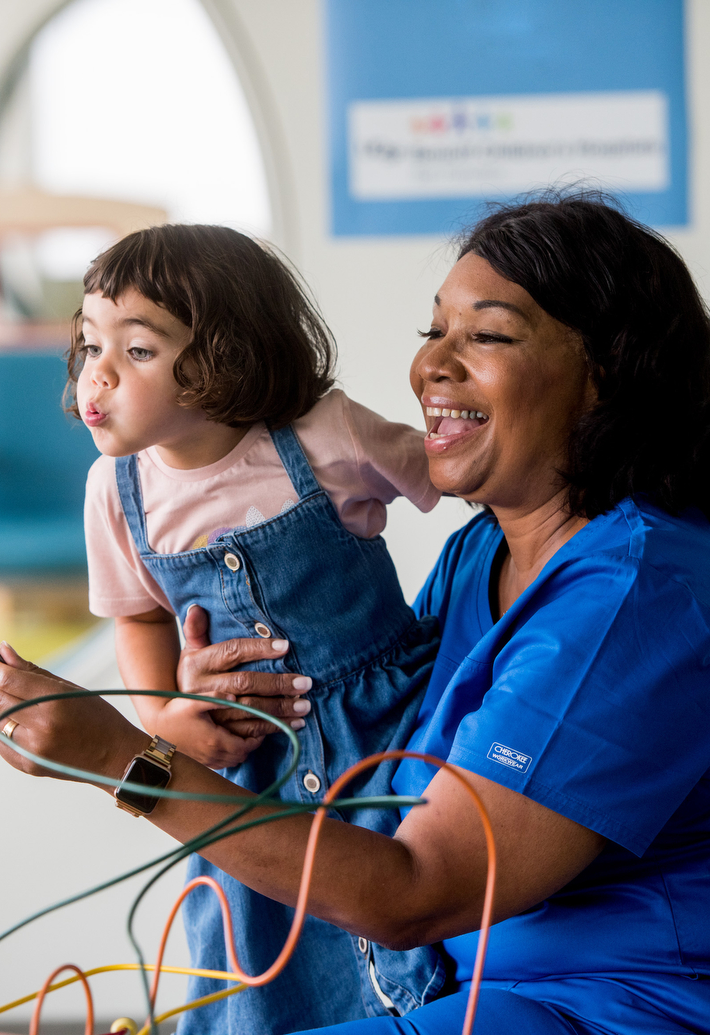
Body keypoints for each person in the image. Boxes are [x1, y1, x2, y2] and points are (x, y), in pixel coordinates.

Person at [0, 197, 710, 1034]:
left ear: (605, 376)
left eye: (489, 336)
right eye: (435, 329)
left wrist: (128, 760)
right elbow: (390, 755)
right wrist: (203, 698)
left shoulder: (633, 595)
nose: (432, 363)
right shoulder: (486, 554)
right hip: (496, 990)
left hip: (669, 1000)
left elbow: (415, 889)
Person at [70, 223, 446, 1033]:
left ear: (220, 358)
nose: (95, 375)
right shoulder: (116, 489)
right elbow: (138, 614)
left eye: (136, 351)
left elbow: (456, 474)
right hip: (253, 780)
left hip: (388, 742)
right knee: (256, 972)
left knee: (416, 942)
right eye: (88, 343)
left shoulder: (326, 435)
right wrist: (164, 716)